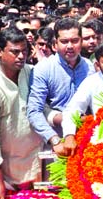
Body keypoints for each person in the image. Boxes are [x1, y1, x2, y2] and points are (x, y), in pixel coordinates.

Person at [0, 27, 43, 199]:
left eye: (24, 51)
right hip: (7, 171)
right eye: (15, 52)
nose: (21, 56)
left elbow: (44, 109)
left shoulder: (32, 72)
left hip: (38, 162)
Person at [27, 18, 95, 154]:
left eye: (75, 41)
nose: (70, 46)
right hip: (56, 143)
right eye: (64, 41)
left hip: (87, 141)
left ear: (81, 42)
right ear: (55, 44)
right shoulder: (43, 69)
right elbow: (34, 111)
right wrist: (55, 140)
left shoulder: (90, 67)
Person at [59, 41, 103, 156]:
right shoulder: (91, 82)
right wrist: (69, 136)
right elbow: (72, 110)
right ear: (97, 65)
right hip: (101, 143)